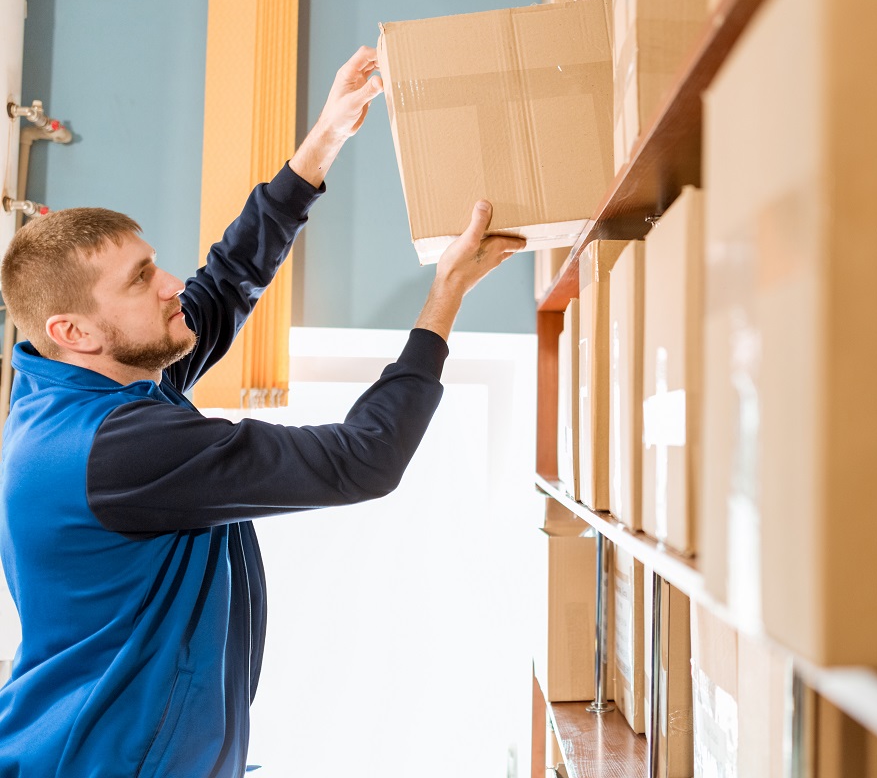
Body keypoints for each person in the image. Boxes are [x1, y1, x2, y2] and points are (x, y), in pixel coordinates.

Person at [0, 46, 524, 776]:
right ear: (73, 330)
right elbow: (362, 460)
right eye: (142, 277)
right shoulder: (117, 448)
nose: (170, 282)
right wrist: (445, 299)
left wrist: (324, 140)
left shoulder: (89, 382)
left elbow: (225, 283)